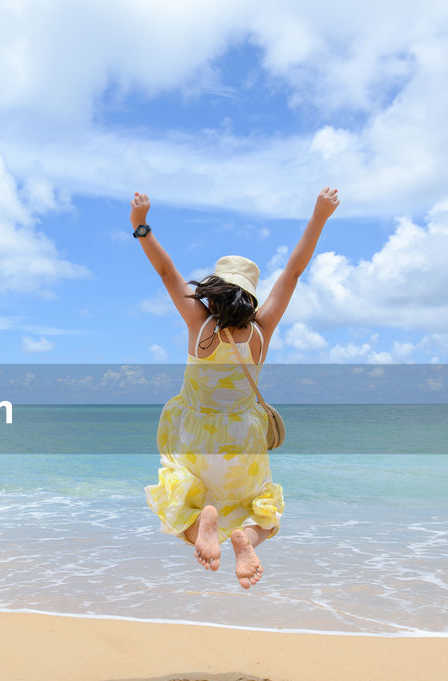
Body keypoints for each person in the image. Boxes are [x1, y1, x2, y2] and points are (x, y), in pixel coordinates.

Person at [131, 188, 340, 589]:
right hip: (243, 436)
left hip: (197, 433)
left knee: (176, 507)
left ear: (215, 290)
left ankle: (203, 527)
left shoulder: (200, 325)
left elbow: (165, 272)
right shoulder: (261, 331)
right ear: (250, 296)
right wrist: (319, 217)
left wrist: (140, 227)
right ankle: (247, 542)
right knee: (261, 511)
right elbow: (293, 272)